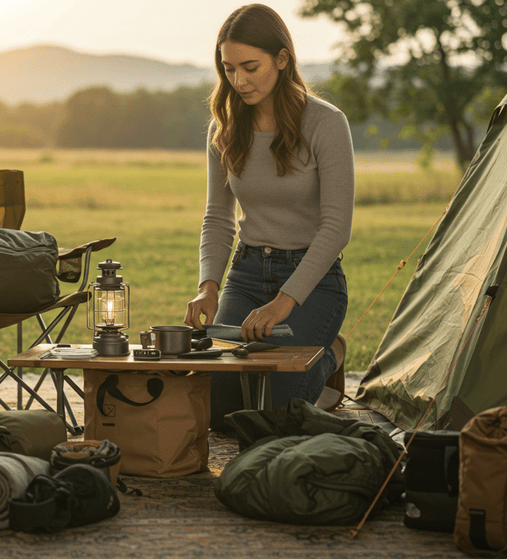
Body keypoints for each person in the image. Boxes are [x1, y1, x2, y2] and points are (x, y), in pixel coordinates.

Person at [183, 3, 354, 430]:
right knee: (218, 406)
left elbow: (336, 228)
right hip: (246, 273)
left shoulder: (327, 123)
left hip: (311, 282)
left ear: (282, 59)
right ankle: (299, 360)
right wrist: (208, 286)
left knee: (274, 413)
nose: (238, 80)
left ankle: (330, 352)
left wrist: (283, 303)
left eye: (250, 67)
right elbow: (218, 217)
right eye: (228, 69)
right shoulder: (222, 127)